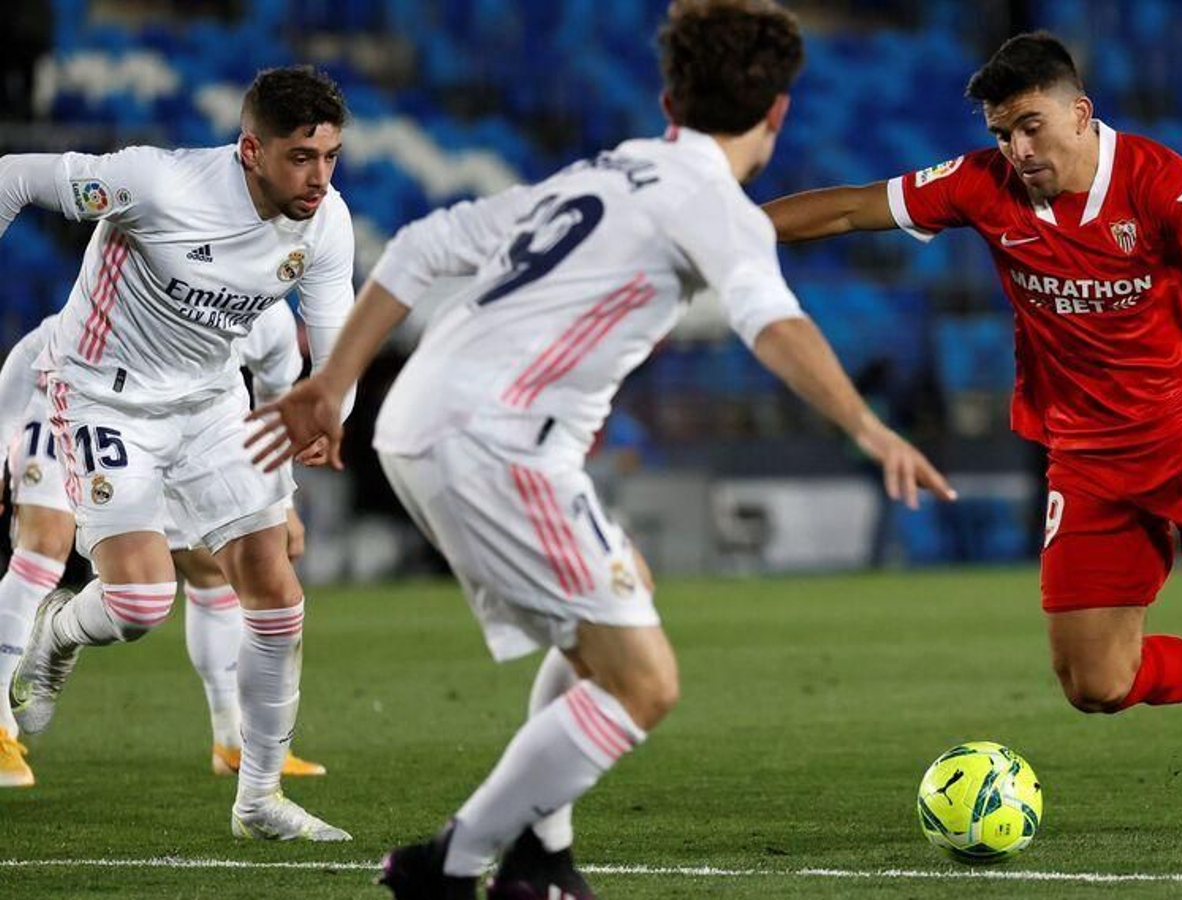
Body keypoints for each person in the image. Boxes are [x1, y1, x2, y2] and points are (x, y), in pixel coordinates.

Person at [248, 1, 954, 894]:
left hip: (432, 418)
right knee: (644, 682)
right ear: (777, 112)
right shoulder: (717, 207)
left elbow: (422, 247)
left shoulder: (608, 170)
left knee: (616, 614)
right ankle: (451, 865)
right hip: (495, 439)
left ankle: (542, 860)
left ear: (669, 97)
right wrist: (870, 428)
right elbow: (774, 324)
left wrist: (334, 383)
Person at [762, 31, 1182, 854]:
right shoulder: (980, 187)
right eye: (1002, 134)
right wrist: (726, 235)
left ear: (1080, 114)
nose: (1017, 149)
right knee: (1095, 684)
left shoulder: (1158, 180)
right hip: (1085, 454)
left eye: (1030, 126)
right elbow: (847, 207)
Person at [0, 65, 355, 840]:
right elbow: (15, 177)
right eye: (302, 156)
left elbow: (331, 356)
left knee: (278, 594)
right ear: (251, 149)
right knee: (138, 604)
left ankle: (258, 799)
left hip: (211, 403)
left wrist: (328, 415)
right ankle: (57, 632)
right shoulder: (158, 185)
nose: (320, 177)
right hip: (102, 396)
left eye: (331, 156)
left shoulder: (326, 224)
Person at [0, 304, 326, 787]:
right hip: (72, 399)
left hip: (169, 424)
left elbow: (275, 401)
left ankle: (232, 741)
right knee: (46, 543)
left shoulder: (270, 317)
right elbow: (32, 350)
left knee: (208, 568)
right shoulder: (163, 275)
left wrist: (285, 506)